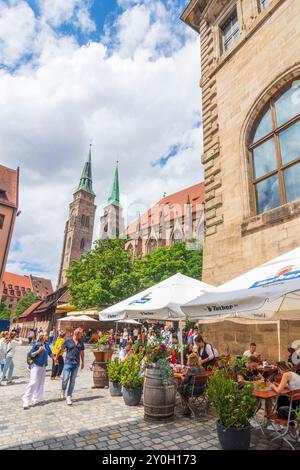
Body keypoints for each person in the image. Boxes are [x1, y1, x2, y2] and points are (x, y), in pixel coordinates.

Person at [22, 332, 53, 409]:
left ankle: (37, 398)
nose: (47, 336)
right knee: (33, 382)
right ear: (42, 337)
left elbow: (50, 353)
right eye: (46, 335)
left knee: (40, 382)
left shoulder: (46, 344)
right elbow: (31, 354)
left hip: (43, 366)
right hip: (36, 365)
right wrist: (38, 351)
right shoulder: (37, 344)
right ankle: (26, 399)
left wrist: (55, 357)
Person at [56, 328, 85, 405]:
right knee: (65, 379)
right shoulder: (68, 340)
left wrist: (83, 362)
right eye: (81, 334)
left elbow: (82, 352)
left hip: (76, 363)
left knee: (72, 381)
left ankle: (69, 396)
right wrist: (56, 358)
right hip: (68, 363)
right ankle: (63, 390)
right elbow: (60, 349)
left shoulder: (81, 342)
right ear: (77, 334)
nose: (82, 335)